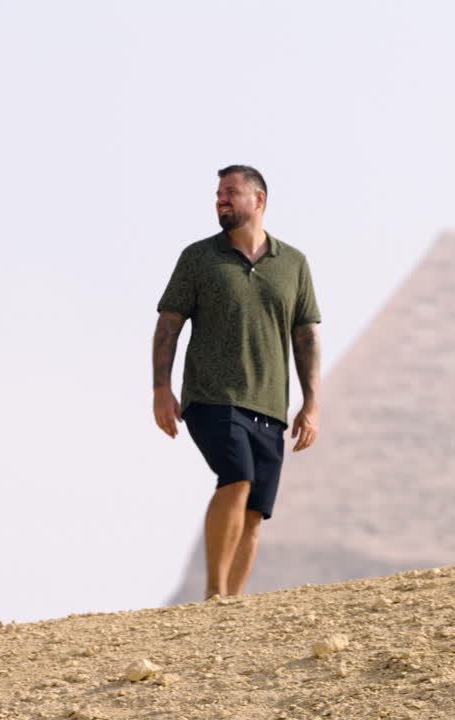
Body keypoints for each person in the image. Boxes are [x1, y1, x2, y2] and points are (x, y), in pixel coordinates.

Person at [152, 165, 322, 601]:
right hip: (213, 396)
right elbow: (169, 325)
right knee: (237, 476)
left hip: (270, 405)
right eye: (218, 194)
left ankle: (230, 602)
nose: (220, 200)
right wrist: (161, 389)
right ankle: (214, 592)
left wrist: (311, 404)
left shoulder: (294, 264)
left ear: (258, 199)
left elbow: (305, 337)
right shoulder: (199, 258)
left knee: (255, 510)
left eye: (230, 192)